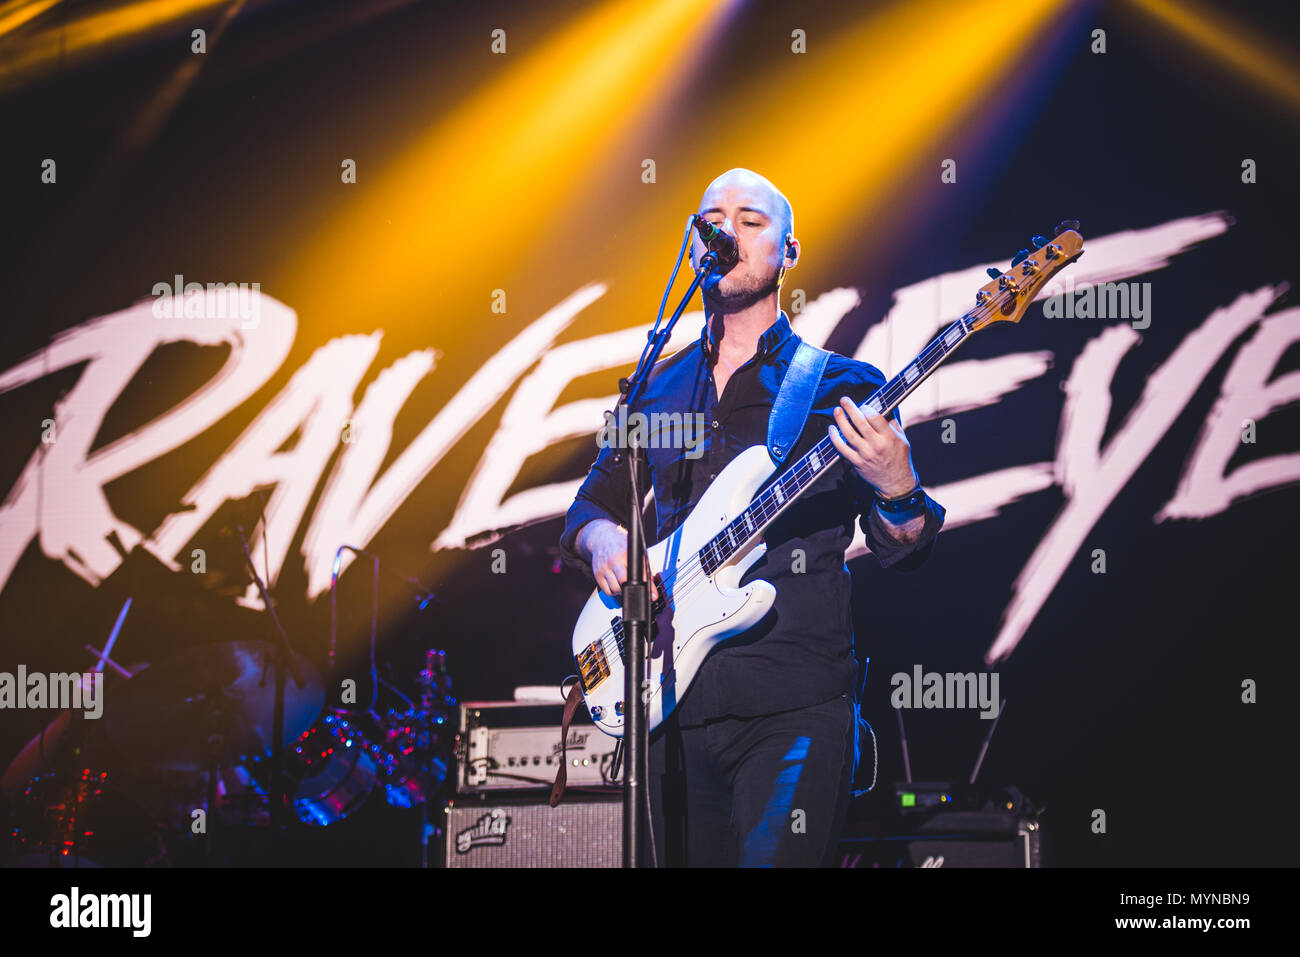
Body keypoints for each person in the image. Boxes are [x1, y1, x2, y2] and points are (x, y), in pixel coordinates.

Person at [559, 168, 945, 866]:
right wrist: (605, 539)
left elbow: (906, 548)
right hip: (668, 706)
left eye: (750, 219)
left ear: (788, 252)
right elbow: (588, 506)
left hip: (793, 706)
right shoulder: (655, 386)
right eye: (712, 216)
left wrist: (899, 487)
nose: (726, 229)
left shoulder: (839, 387)